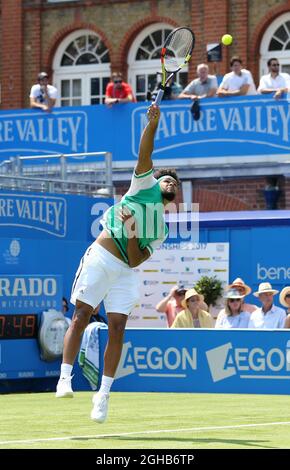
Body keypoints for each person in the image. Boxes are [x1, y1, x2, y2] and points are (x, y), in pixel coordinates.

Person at [55, 104, 180, 424]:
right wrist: (152, 124)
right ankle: (65, 377)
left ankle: (103, 395)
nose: (172, 184)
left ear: (175, 198)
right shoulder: (144, 184)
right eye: (168, 179)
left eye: (176, 185)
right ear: (158, 180)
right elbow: (146, 151)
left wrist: (134, 230)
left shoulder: (163, 230)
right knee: (82, 314)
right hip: (101, 257)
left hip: (125, 270)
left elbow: (137, 258)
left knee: (118, 328)